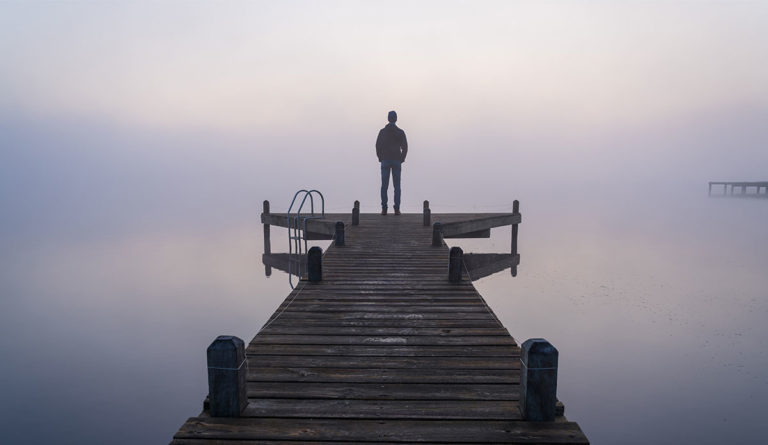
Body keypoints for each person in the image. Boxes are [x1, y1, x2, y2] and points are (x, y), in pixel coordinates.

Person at [376, 110, 408, 215]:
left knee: (384, 186)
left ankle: (384, 208)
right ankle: (397, 209)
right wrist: (401, 159)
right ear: (396, 119)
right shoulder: (400, 132)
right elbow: (405, 147)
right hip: (396, 161)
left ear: (388, 118)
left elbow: (377, 146)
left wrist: (380, 157)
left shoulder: (382, 131)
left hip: (385, 160)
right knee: (397, 186)